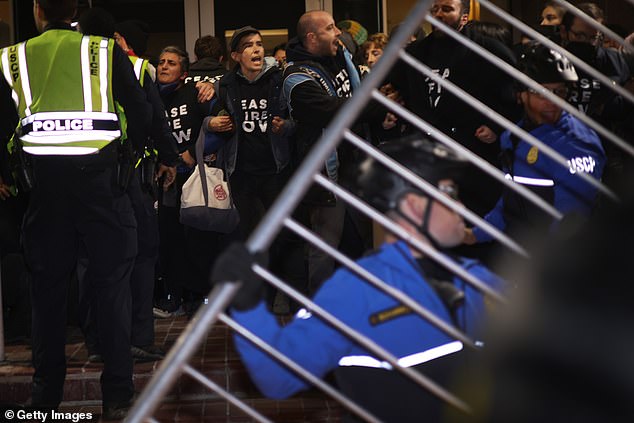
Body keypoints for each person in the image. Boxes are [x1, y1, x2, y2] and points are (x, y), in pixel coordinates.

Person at [213, 137, 504, 422]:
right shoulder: (355, 292)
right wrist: (249, 304)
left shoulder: (475, 277)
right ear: (414, 205)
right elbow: (279, 376)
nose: (462, 207)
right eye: (450, 192)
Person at [0, 0, 151, 419]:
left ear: (37, 10)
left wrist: (13, 173)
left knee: (46, 294)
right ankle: (118, 394)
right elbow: (140, 112)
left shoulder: (13, 58)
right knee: (112, 289)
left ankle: (46, 397)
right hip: (103, 187)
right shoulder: (103, 51)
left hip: (44, 192)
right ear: (75, 10)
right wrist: (131, 157)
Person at [77, 7, 179, 362]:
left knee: (91, 259)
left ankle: (96, 339)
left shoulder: (74, 69)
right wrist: (169, 158)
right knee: (140, 253)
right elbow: (152, 118)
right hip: (126, 174)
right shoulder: (132, 67)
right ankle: (137, 336)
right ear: (116, 40)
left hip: (77, 175)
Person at [463, 42, 605, 247]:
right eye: (541, 92)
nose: (552, 101)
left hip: (562, 260)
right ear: (520, 94)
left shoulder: (576, 144)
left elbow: (570, 222)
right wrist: (474, 234)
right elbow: (511, 201)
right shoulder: (512, 136)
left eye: (559, 92)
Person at [386, 0, 519, 217]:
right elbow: (399, 91)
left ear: (464, 17)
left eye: (446, 9)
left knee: (476, 226)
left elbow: (515, 98)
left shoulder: (488, 51)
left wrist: (496, 127)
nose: (438, 15)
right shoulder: (414, 54)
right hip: (429, 157)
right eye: (434, 9)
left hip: (474, 159)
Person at [282, 10, 382, 294]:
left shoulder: (339, 55)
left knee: (362, 240)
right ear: (312, 38)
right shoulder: (296, 78)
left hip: (355, 165)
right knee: (325, 247)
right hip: (326, 174)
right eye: (330, 28)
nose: (339, 32)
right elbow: (339, 112)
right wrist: (380, 102)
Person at [209, 26, 303, 308]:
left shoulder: (279, 79)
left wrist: (286, 126)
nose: (257, 50)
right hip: (242, 171)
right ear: (236, 55)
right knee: (249, 238)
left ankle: (281, 295)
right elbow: (211, 117)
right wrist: (211, 121)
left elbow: (299, 119)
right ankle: (258, 298)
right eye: (249, 46)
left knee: (280, 236)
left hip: (275, 168)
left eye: (260, 44)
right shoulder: (226, 85)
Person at [559, 2, 631, 191]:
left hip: (606, 151)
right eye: (580, 35)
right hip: (561, 146)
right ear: (564, 32)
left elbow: (624, 108)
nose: (588, 42)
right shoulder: (552, 58)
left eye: (594, 37)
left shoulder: (614, 61)